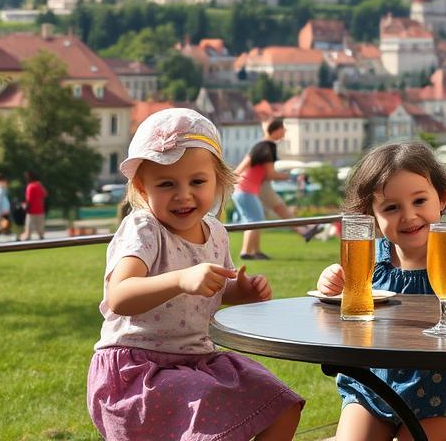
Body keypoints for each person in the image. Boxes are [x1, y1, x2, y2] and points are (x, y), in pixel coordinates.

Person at [87, 107, 303, 441]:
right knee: (210, 427)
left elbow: (211, 287)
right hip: (140, 370)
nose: (184, 194)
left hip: (197, 361)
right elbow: (120, 296)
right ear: (143, 189)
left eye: (197, 182)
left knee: (282, 405)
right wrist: (181, 279)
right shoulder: (144, 228)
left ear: (218, 180)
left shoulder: (215, 232)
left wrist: (240, 292)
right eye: (167, 184)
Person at [316, 140, 446, 441]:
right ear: (371, 215)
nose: (409, 215)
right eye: (391, 207)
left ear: (441, 198)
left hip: (438, 394)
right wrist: (329, 280)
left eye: (419, 201)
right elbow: (338, 295)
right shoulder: (368, 256)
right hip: (371, 387)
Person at [233, 118, 321, 260]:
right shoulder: (268, 147)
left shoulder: (259, 145)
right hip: (246, 190)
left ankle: (255, 251)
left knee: (255, 219)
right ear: (277, 130)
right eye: (284, 128)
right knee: (255, 220)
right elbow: (270, 174)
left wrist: (233, 181)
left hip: (243, 189)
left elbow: (242, 167)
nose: (285, 131)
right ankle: (246, 252)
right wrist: (291, 177)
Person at [19, 170, 47, 241]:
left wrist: (24, 206)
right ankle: (41, 238)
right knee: (40, 230)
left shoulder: (30, 186)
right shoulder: (39, 185)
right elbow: (45, 194)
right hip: (40, 209)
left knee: (28, 228)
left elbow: (29, 199)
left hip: (31, 211)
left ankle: (26, 237)